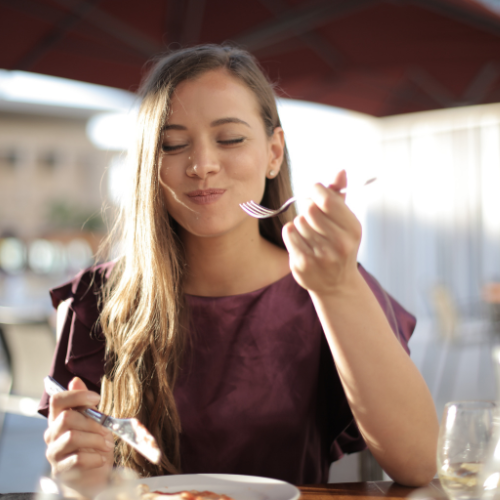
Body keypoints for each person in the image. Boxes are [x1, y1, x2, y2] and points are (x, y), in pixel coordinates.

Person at [39, 44, 438, 495]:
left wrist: (338, 288)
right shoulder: (96, 300)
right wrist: (78, 476)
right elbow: (86, 480)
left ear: (273, 152)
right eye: (172, 144)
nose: (202, 165)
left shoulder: (330, 283)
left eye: (230, 139)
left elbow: (419, 462)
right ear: (149, 165)